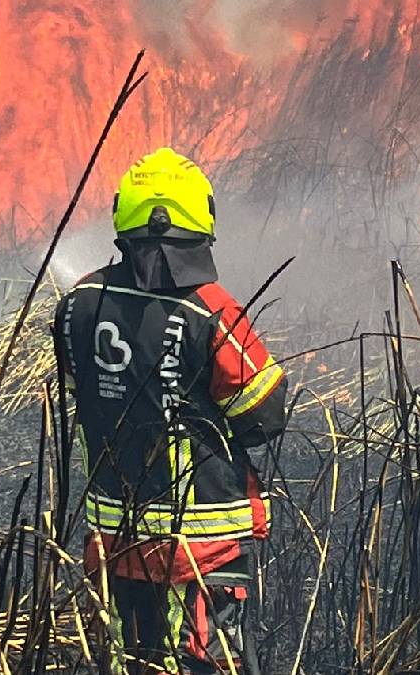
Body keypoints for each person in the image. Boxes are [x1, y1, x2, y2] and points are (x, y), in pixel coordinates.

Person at [52, 148, 287, 674]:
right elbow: (265, 414)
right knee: (202, 661)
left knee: (126, 658)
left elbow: (81, 389)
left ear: (123, 215)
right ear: (202, 217)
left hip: (113, 536)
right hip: (199, 547)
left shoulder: (77, 304)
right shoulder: (210, 309)